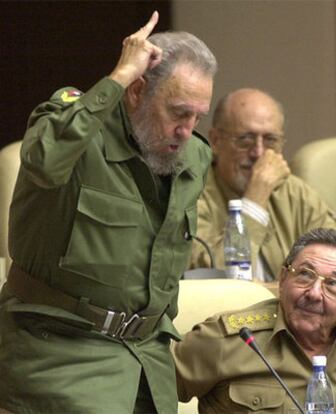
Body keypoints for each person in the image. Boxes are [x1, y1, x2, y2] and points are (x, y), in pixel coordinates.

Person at [0, 11, 217, 414]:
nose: (186, 131)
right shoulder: (79, 130)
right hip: (60, 358)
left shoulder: (194, 157)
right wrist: (116, 78)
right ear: (136, 92)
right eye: (178, 112)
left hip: (147, 362)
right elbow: (44, 159)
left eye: (197, 117)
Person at [173, 228, 336, 413]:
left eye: (332, 284)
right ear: (282, 279)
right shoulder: (228, 341)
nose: (314, 293)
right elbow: (148, 387)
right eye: (305, 275)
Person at [189, 88, 336, 281]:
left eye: (270, 140)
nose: (258, 153)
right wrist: (254, 200)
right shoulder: (190, 194)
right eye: (245, 140)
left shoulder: (292, 191)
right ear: (216, 141)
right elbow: (214, 279)